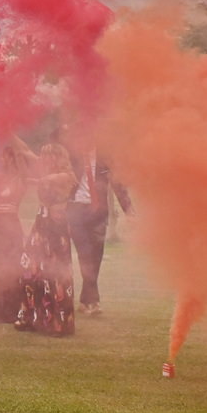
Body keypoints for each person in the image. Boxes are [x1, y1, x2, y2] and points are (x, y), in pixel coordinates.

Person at [57, 126, 134, 315]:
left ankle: (86, 301)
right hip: (76, 210)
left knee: (96, 257)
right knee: (85, 255)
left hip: (98, 212)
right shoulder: (71, 155)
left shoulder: (104, 157)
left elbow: (118, 183)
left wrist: (129, 210)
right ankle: (93, 301)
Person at [14, 141, 78, 336]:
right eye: (43, 155)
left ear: (58, 157)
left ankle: (58, 323)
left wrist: (42, 178)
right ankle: (30, 316)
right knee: (29, 270)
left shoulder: (67, 175)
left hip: (56, 230)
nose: (44, 159)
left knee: (56, 275)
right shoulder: (45, 172)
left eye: (49, 156)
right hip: (40, 226)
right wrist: (7, 131)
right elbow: (24, 150)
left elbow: (58, 178)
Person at [0, 145, 28, 323]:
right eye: (1, 157)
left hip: (11, 224)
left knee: (12, 266)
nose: (2, 160)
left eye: (6, 157)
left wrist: (16, 147)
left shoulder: (19, 179)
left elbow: (25, 168)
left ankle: (12, 308)